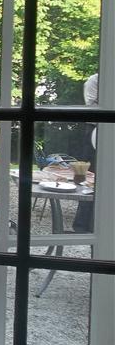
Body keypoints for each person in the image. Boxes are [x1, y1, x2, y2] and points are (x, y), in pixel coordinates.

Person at [73, 72, 98, 233]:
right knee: (89, 177)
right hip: (94, 129)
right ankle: (82, 225)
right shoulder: (93, 81)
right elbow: (92, 107)